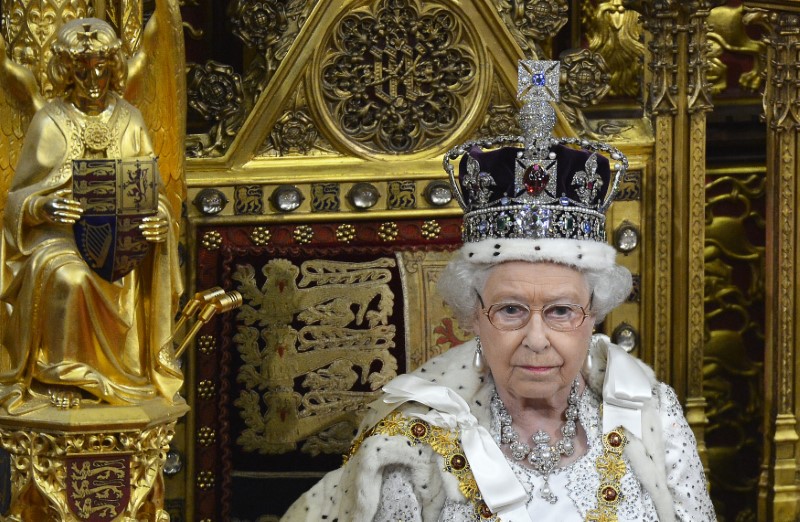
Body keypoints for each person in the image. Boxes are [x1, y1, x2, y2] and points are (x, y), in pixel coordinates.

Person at [281, 60, 716, 521]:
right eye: (510, 310)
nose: (536, 338)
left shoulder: (651, 417)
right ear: (472, 315)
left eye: (561, 311)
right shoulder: (412, 445)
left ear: (593, 315)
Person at [0, 18, 183, 413]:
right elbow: (16, 200)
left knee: (124, 272)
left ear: (115, 67)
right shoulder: (49, 120)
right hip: (59, 240)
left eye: (102, 65)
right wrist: (41, 206)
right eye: (82, 68)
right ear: (66, 71)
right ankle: (60, 376)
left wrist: (159, 221)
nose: (94, 77)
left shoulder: (130, 118)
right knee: (73, 278)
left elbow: (155, 191)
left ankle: (128, 376)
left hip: (121, 243)